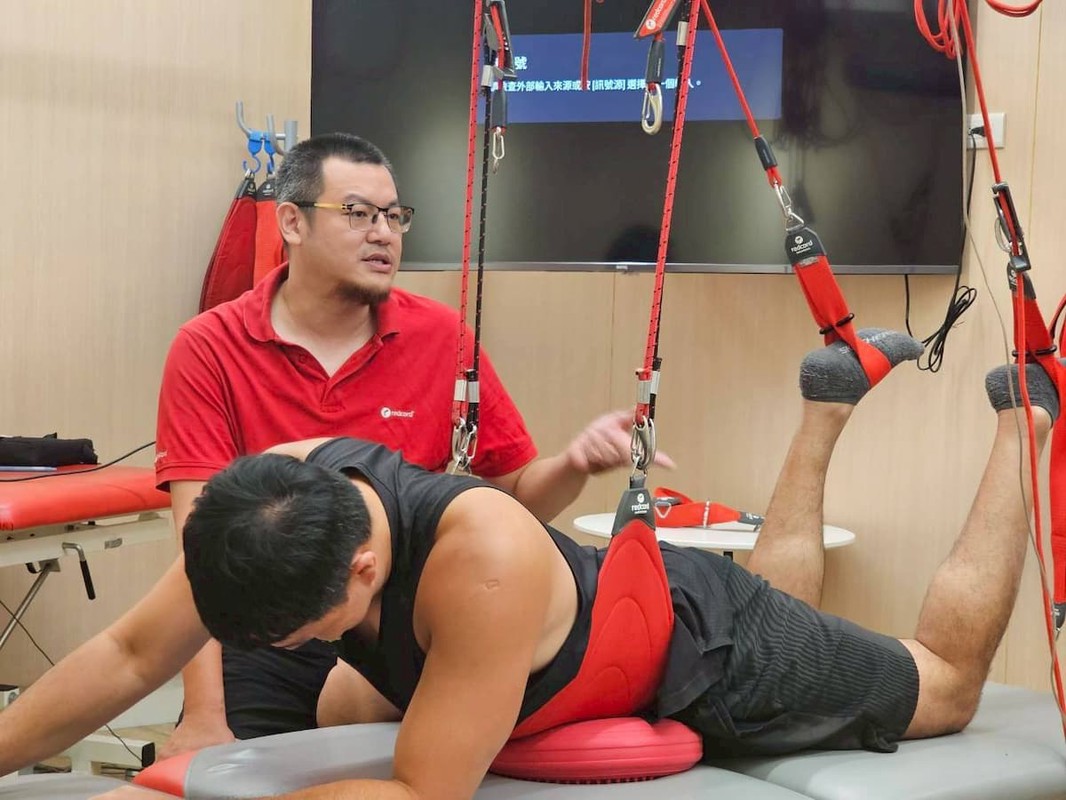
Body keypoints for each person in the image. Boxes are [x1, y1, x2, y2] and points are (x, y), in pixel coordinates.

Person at [0, 333, 1054, 800]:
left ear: (361, 573)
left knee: (944, 684)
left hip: (699, 640)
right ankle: (826, 405)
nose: (277, 651)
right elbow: (131, 650)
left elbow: (424, 789)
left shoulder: (482, 563)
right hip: (549, 635)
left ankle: (1027, 420)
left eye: (295, 633)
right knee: (339, 700)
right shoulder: (269, 498)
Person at [154, 132, 672, 758]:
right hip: (274, 628)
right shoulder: (210, 347)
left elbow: (512, 500)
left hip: (397, 630)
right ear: (291, 222)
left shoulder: (441, 336)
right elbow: (201, 550)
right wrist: (203, 714)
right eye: (357, 213)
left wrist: (574, 464)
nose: (384, 233)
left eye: (394, 215)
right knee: (233, 772)